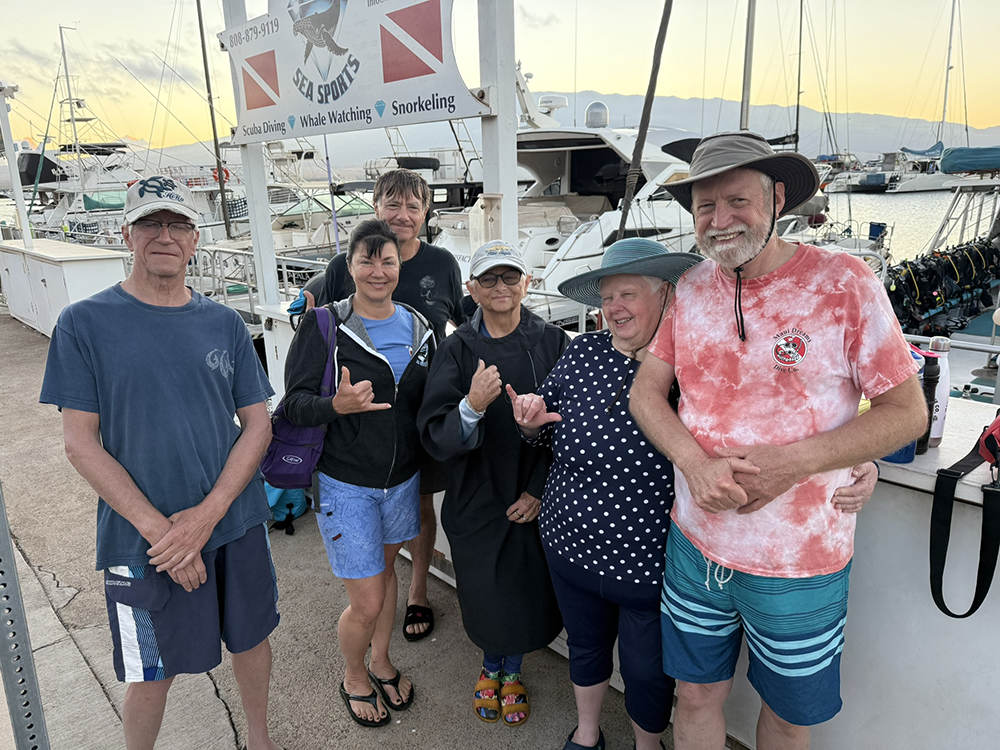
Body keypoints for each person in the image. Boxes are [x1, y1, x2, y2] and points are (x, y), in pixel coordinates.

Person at [508, 239, 880, 750]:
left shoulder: (693, 362)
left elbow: (783, 410)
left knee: (648, 670)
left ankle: (646, 744)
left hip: (647, 557)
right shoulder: (583, 354)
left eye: (629, 294)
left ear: (666, 297)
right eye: (608, 296)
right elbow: (545, 424)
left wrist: (860, 457)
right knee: (591, 650)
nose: (615, 308)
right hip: (572, 541)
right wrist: (529, 425)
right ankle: (587, 733)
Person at [629, 131, 927, 750]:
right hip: (696, 547)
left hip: (801, 561)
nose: (719, 220)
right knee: (694, 695)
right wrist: (694, 463)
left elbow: (906, 413)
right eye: (705, 207)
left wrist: (793, 465)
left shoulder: (845, 282)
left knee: (790, 719)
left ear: (778, 196)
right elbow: (645, 394)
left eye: (736, 200)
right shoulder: (689, 289)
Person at [39, 176, 281, 750]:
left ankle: (260, 739)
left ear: (195, 240)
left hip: (234, 522)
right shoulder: (83, 323)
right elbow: (80, 443)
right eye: (150, 223)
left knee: (251, 640)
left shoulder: (223, 321)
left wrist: (206, 517)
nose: (164, 235)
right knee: (152, 669)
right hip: (141, 539)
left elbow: (258, 424)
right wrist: (165, 534)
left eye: (177, 224)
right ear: (127, 235)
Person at [283, 219, 434, 727]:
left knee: (388, 576)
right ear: (348, 267)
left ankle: (382, 661)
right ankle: (353, 674)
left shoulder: (420, 327)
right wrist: (336, 405)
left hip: (403, 481)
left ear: (399, 266)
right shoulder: (324, 325)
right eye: (366, 260)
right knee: (366, 601)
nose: (377, 270)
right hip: (346, 483)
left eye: (387, 260)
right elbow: (295, 406)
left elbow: (431, 404)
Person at [309, 168, 465, 641]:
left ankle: (417, 592)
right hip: (361, 423)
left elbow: (465, 319)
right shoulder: (344, 264)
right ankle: (368, 595)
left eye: (413, 207)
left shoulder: (441, 263)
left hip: (424, 410)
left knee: (419, 506)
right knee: (367, 506)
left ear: (426, 214)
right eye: (392, 205)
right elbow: (318, 319)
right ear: (375, 208)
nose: (402, 215)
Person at [417, 241, 566, 727]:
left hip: (534, 493)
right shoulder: (457, 348)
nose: (501, 287)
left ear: (527, 283)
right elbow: (435, 431)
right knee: (484, 590)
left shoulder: (553, 342)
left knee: (525, 590)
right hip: (476, 494)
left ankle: (514, 670)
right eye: (489, 279)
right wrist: (471, 406)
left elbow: (572, 424)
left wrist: (540, 490)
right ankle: (490, 666)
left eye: (510, 277)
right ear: (471, 289)